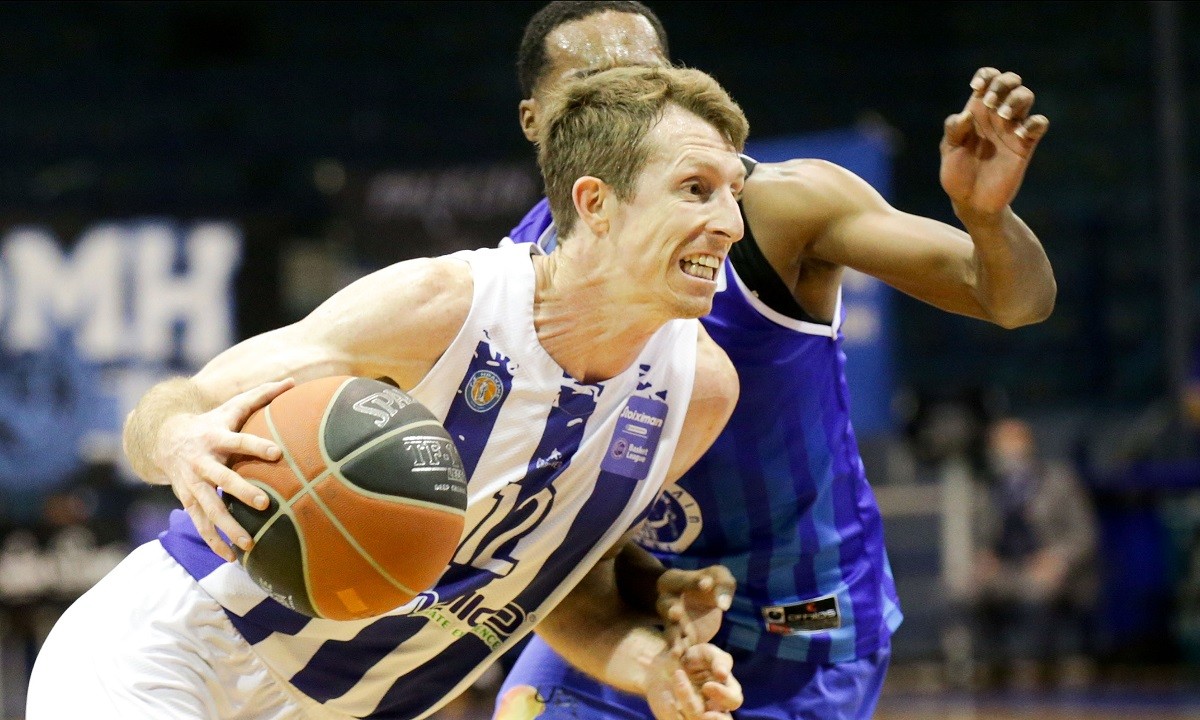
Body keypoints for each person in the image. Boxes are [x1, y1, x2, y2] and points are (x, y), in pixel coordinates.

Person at [27, 65, 749, 720]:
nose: (730, 224)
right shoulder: (445, 306)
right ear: (596, 202)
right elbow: (170, 407)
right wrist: (180, 440)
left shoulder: (701, 394)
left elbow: (555, 587)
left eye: (733, 194)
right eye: (695, 190)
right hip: (173, 651)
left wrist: (655, 668)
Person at [497, 3, 1057, 719]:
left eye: (643, 78)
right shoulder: (518, 277)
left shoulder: (775, 211)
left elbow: (1013, 300)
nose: (623, 103)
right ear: (535, 120)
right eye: (591, 85)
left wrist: (986, 219)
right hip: (630, 605)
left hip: (798, 622)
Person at [959, 417, 1098, 688]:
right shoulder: (991, 487)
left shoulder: (1060, 481)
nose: (1006, 450)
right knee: (967, 589)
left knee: (1038, 591)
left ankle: (1034, 666)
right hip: (1007, 567)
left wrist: (1057, 558)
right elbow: (984, 537)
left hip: (1051, 568)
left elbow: (1085, 535)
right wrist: (985, 557)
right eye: (1000, 443)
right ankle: (988, 667)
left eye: (1013, 441)